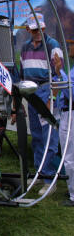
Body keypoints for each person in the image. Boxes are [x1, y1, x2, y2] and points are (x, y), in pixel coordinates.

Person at [17, 13, 63, 196]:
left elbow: (59, 76)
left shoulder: (52, 45)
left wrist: (52, 97)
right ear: (28, 29)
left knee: (49, 137)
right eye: (34, 29)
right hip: (31, 93)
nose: (38, 32)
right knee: (36, 136)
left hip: (45, 92)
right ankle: (39, 174)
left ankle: (50, 179)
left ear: (43, 27)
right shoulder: (25, 47)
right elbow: (21, 75)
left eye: (40, 28)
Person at [54, 43, 74, 206]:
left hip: (71, 113)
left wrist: (60, 72)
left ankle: (73, 195)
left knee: (69, 156)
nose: (70, 49)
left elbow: (71, 92)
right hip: (68, 112)